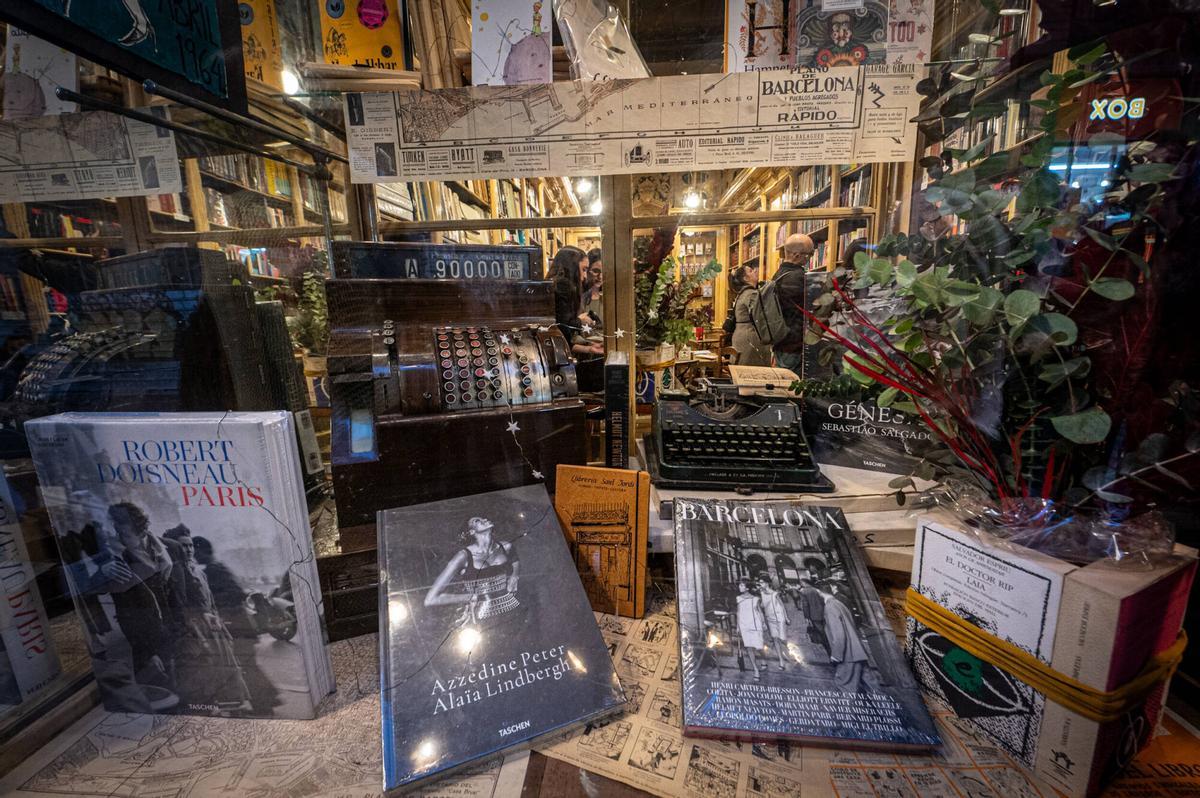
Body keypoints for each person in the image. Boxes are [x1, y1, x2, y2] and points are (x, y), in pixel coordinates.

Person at [163, 525, 252, 713]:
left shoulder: (199, 572)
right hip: (194, 632)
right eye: (182, 546)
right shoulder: (174, 574)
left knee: (226, 668)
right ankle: (210, 706)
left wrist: (219, 624)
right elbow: (179, 607)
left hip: (212, 628)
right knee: (205, 672)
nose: (187, 550)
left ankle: (232, 705)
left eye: (189, 546)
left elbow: (210, 602)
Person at [193, 535, 282, 713]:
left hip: (238, 627)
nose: (195, 557)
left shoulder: (213, 570)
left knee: (246, 666)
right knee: (248, 666)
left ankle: (265, 705)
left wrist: (214, 605)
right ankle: (268, 700)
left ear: (202, 552)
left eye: (196, 553)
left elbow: (236, 594)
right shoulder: (219, 567)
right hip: (242, 625)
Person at [106, 502, 177, 702]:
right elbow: (126, 616)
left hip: (171, 636)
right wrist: (148, 655)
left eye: (125, 533)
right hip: (147, 646)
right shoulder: (121, 565)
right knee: (159, 699)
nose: (120, 538)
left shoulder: (164, 552)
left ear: (143, 532)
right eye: (117, 532)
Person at [425, 516, 523, 632]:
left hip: (512, 609)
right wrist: (470, 597)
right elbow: (430, 599)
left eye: (484, 518)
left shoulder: (506, 546)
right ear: (472, 532)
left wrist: (514, 575)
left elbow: (515, 561)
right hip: (483, 617)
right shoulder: (463, 556)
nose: (485, 519)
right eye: (478, 521)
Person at [772, 233, 816, 373]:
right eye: (809, 255)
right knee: (792, 387)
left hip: (781, 341)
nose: (809, 259)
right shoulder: (798, 279)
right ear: (797, 255)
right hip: (794, 345)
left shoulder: (778, 275)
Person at [548, 246, 603, 357]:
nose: (584, 276)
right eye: (583, 269)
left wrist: (589, 349)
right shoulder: (564, 287)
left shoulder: (554, 285)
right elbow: (562, 327)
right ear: (572, 267)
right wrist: (579, 321)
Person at [823, 586, 870, 692]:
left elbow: (839, 634)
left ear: (819, 592)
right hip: (859, 652)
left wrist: (836, 655)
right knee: (874, 689)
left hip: (848, 656)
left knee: (845, 687)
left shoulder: (830, 607)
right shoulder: (840, 603)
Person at [728, 263, 773, 366]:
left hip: (742, 333)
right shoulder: (751, 293)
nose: (755, 271)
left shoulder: (743, 293)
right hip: (750, 337)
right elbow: (760, 315)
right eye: (751, 271)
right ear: (745, 278)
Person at [733, 578, 767, 681]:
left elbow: (760, 612)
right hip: (744, 625)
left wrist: (764, 623)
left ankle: (763, 659)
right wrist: (738, 626)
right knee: (748, 647)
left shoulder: (755, 599)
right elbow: (738, 613)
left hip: (756, 625)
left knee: (759, 647)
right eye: (739, 585)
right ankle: (756, 670)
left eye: (742, 585)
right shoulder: (738, 598)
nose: (739, 587)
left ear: (747, 588)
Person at [757, 575, 791, 671]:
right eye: (760, 582)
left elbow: (782, 606)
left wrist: (786, 617)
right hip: (770, 619)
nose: (760, 584)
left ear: (767, 583)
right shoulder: (761, 593)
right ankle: (781, 660)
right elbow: (763, 606)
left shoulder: (775, 594)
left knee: (782, 639)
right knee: (775, 639)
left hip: (779, 618)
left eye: (762, 582)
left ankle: (787, 652)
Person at [797, 578, 829, 655]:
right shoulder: (816, 589)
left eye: (801, 582)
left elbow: (805, 605)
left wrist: (807, 617)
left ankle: (828, 648)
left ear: (804, 583)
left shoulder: (803, 591)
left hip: (813, 615)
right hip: (823, 613)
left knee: (821, 633)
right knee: (826, 630)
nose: (801, 584)